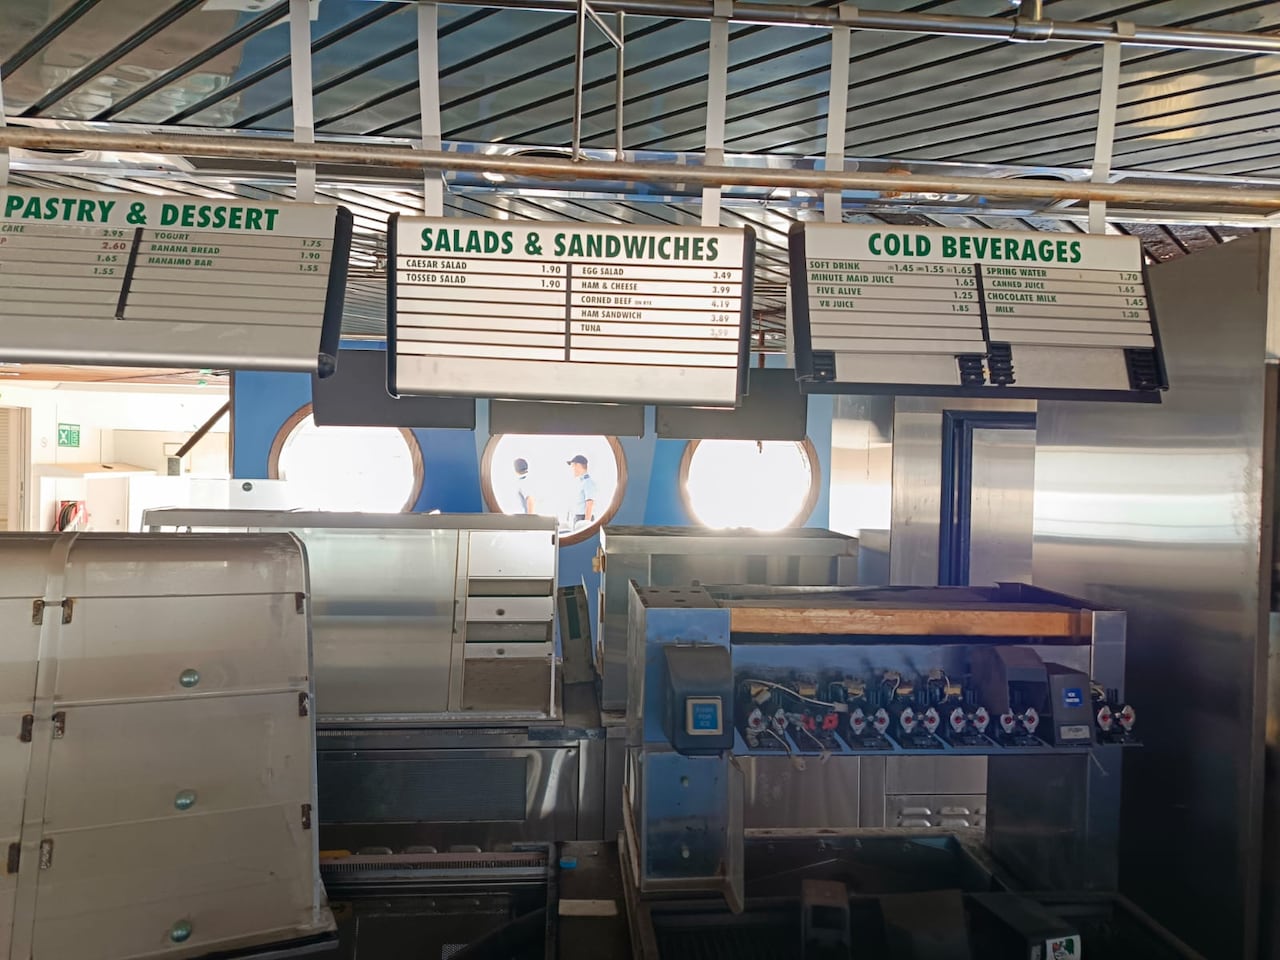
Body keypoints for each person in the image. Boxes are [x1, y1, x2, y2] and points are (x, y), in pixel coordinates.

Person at [567, 454, 597, 525]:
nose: (572, 469)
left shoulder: (588, 482)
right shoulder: (581, 482)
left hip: (583, 518)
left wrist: (585, 524)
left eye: (573, 466)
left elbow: (589, 504)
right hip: (579, 517)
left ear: (578, 466)